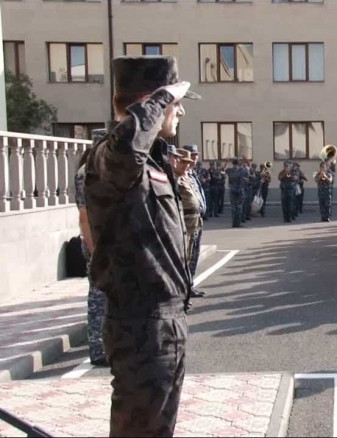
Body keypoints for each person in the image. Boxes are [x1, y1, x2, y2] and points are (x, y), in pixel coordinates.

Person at [84, 55, 199, 436]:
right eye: (176, 103)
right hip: (140, 321)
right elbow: (126, 150)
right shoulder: (110, 155)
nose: (180, 111)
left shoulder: (153, 159)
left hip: (165, 321)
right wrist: (161, 98)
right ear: (151, 102)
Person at [75, 128, 108, 366]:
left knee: (107, 296)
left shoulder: (102, 171)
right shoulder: (86, 173)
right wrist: (94, 249)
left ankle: (106, 344)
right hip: (97, 243)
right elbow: (84, 217)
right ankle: (97, 349)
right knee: (98, 297)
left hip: (107, 242)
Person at [173, 149, 203, 303]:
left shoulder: (187, 177)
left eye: (188, 162)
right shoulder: (174, 179)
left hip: (195, 221)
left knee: (191, 256)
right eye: (183, 162)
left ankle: (188, 288)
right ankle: (181, 293)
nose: (187, 165)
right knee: (183, 258)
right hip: (184, 222)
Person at [182, 145, 207, 298]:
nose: (195, 158)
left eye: (196, 155)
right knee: (187, 255)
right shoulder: (180, 175)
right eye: (192, 155)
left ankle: (189, 285)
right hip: (187, 221)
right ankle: (184, 288)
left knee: (194, 254)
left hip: (197, 220)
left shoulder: (192, 173)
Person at [225, 158, 247, 228]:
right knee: (239, 207)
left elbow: (223, 169)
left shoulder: (229, 170)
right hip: (240, 191)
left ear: (233, 164)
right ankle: (238, 223)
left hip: (232, 190)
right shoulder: (242, 171)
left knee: (233, 207)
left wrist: (226, 162)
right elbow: (247, 175)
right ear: (238, 164)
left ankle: (234, 223)